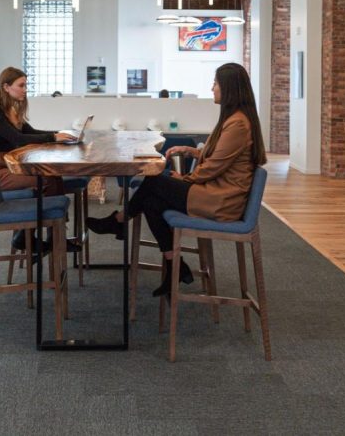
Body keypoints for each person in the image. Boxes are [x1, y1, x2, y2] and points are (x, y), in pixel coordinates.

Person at [87, 63, 267, 296]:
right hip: (216, 193)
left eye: (216, 83)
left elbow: (215, 166)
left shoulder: (238, 124)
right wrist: (193, 152)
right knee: (151, 201)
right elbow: (222, 156)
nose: (212, 88)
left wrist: (185, 179)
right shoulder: (235, 119)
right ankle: (175, 265)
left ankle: (119, 220)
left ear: (229, 88)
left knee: (154, 181)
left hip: (221, 200)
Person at [0, 66, 78, 251]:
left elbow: (31, 132)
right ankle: (42, 236)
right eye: (21, 85)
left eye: (25, 85)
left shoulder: (11, 110)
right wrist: (54, 137)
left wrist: (61, 133)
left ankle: (49, 235)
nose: (25, 90)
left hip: (9, 166)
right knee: (48, 179)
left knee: (53, 175)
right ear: (6, 87)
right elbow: (18, 139)